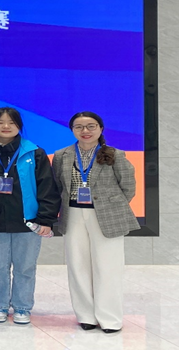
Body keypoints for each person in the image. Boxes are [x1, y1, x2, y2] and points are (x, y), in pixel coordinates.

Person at [52, 111, 139, 334]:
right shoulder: (62, 155)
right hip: (73, 214)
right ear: (72, 130)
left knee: (108, 267)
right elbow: (58, 186)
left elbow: (128, 187)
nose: (85, 131)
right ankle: (86, 316)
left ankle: (110, 319)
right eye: (79, 127)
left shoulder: (115, 154)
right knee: (78, 266)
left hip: (106, 215)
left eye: (91, 126)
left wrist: (110, 206)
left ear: (100, 129)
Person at [0, 107, 61, 325]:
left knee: (25, 267)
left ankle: (22, 307)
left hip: (28, 222)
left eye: (11, 122)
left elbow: (47, 187)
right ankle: (0, 305)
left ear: (19, 126)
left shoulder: (35, 153)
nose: (6, 126)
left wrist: (46, 219)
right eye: (0, 122)